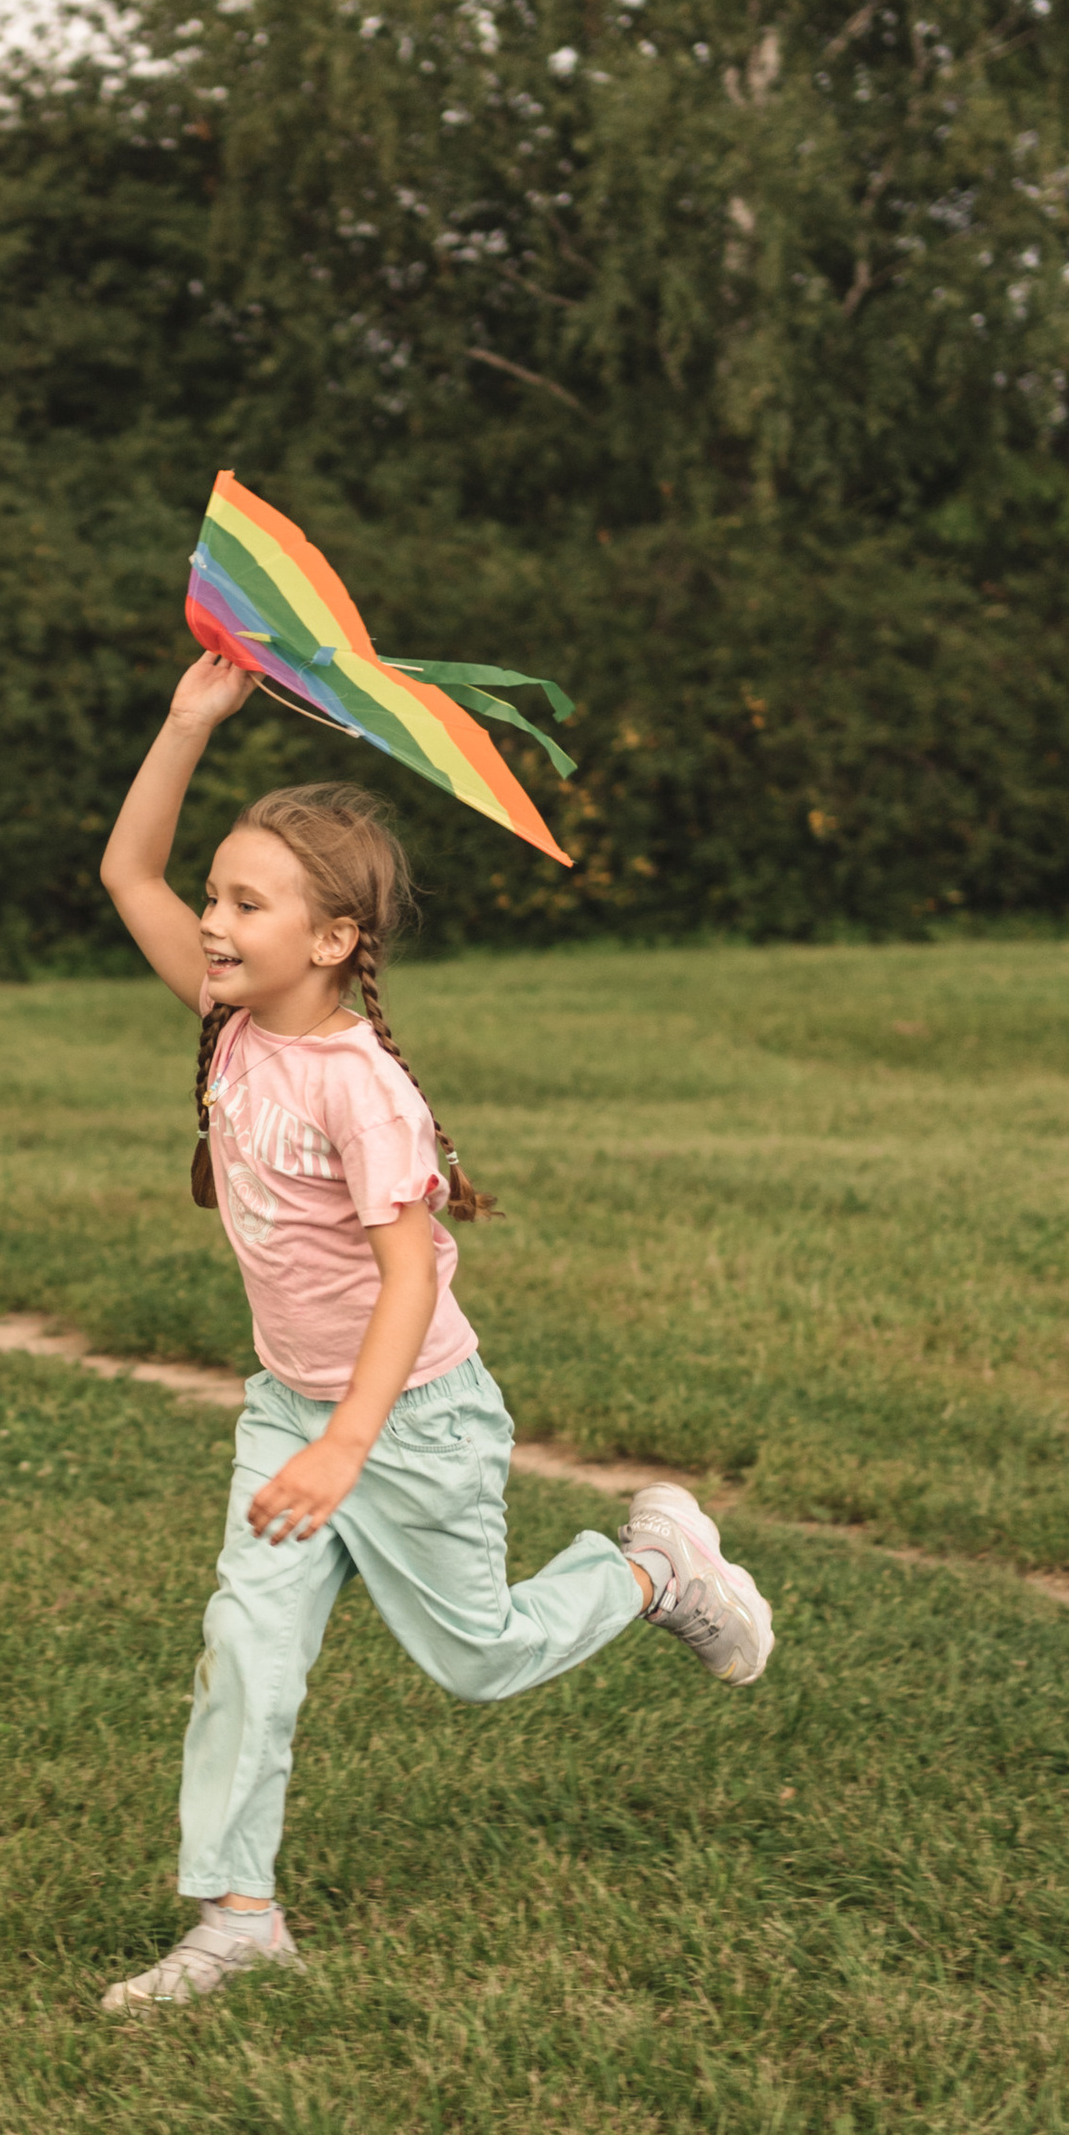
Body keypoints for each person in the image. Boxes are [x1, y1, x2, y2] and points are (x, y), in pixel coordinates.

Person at [95, 648, 773, 2013]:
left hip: (408, 1422)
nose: (212, 922)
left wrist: (352, 1444)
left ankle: (654, 1568)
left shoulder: (363, 1091)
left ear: (334, 940)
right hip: (294, 1414)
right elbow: (127, 877)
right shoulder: (233, 1028)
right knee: (249, 1653)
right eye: (216, 897)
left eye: (247, 903)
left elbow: (410, 1280)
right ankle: (237, 1921)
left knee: (479, 1655)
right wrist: (185, 722)